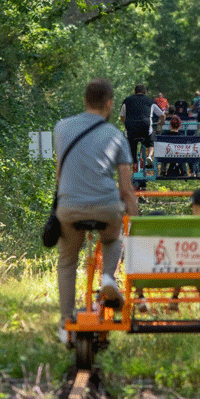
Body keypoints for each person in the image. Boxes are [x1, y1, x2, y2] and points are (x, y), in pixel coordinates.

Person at [54, 78, 140, 345]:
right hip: (105, 207)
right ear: (109, 104)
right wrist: (135, 223)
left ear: (85, 100)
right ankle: (107, 277)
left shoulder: (61, 128)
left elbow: (60, 175)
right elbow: (126, 190)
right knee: (113, 239)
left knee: (67, 260)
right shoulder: (115, 136)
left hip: (68, 208)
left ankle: (66, 322)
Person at [167, 187, 200, 310]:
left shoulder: (189, 228)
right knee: (196, 264)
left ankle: (176, 297)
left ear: (194, 207)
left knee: (187, 261)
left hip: (195, 267)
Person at [119, 84, 166, 168]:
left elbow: (122, 116)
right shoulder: (150, 101)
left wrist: (126, 124)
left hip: (131, 128)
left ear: (134, 92)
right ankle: (149, 156)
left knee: (131, 144)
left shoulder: (127, 100)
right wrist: (161, 122)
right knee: (151, 142)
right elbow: (162, 115)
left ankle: (133, 163)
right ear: (145, 92)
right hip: (145, 127)